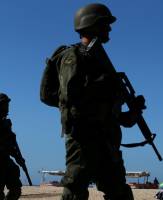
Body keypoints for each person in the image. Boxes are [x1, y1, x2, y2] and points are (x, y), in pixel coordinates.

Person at [40, 3, 146, 200]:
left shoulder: (100, 60)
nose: (109, 28)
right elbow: (70, 98)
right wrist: (107, 90)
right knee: (75, 190)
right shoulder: (73, 56)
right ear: (90, 25)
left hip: (107, 140)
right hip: (83, 139)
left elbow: (112, 114)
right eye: (105, 24)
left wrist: (132, 112)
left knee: (119, 191)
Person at [0, 93, 23, 200]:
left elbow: (11, 143)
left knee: (16, 189)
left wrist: (18, 157)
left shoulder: (6, 123)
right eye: (5, 104)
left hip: (5, 160)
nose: (7, 107)